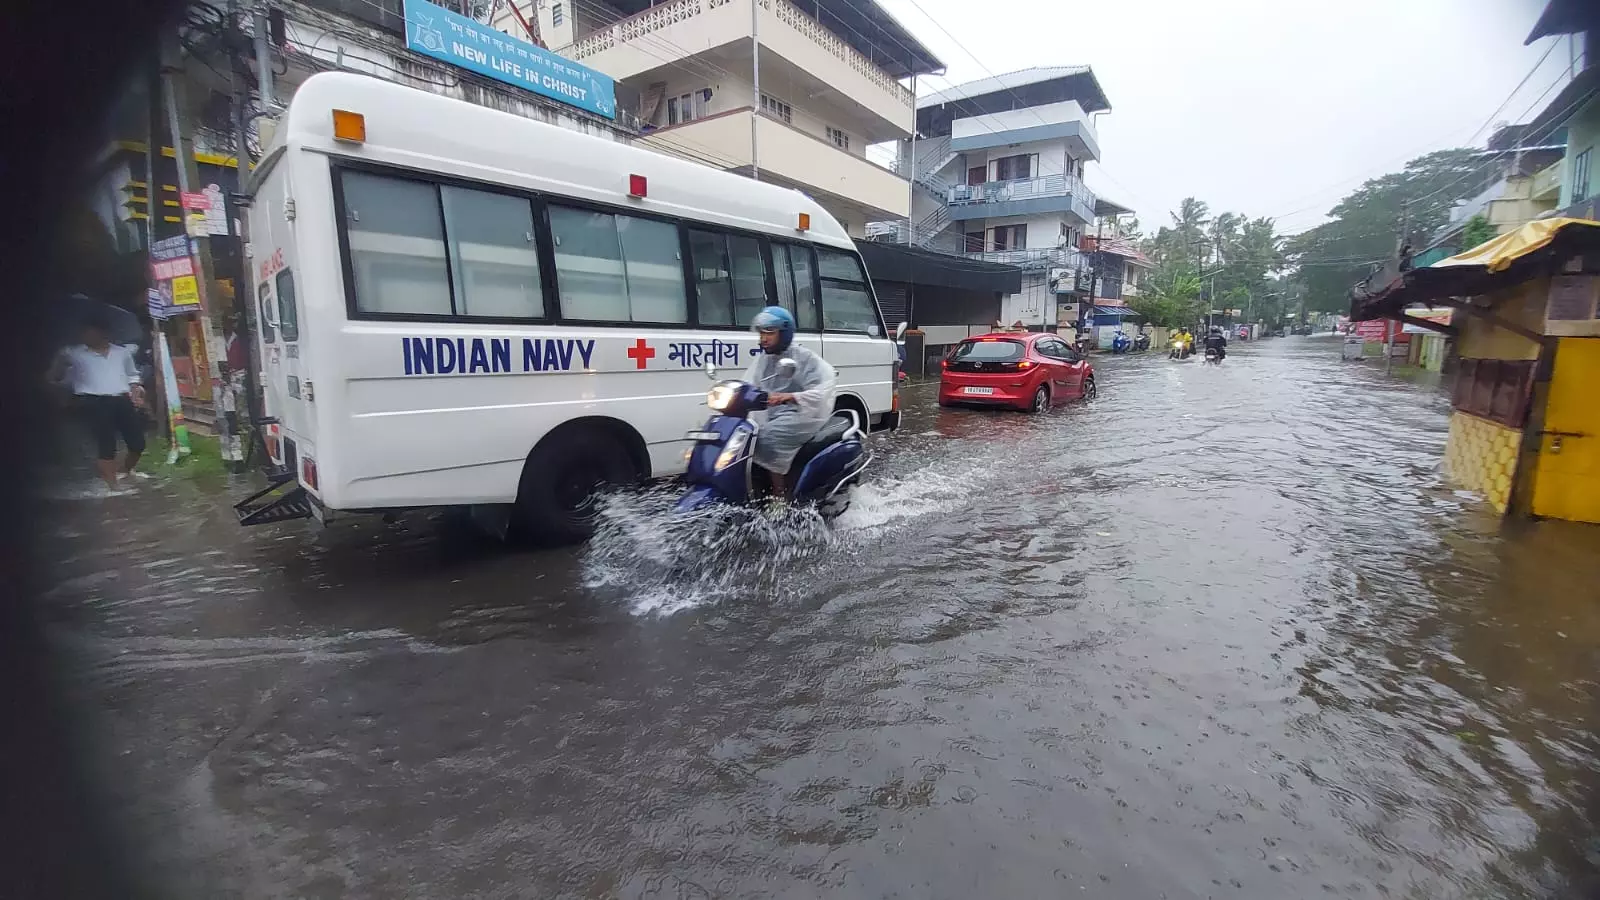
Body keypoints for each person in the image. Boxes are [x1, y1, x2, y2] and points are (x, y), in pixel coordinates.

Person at [742, 306, 836, 499]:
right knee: (744, 435)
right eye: (761, 333)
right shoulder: (764, 360)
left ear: (784, 333)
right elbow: (750, 383)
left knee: (768, 437)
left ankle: (780, 496)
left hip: (802, 414)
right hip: (774, 414)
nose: (763, 338)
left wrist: (791, 397)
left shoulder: (803, 357)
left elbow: (824, 389)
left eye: (770, 332)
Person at [50, 313, 148, 494]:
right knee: (106, 443)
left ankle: (125, 471)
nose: (86, 337)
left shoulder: (122, 352)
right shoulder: (73, 353)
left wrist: (136, 389)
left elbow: (132, 374)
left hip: (121, 399)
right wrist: (59, 362)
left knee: (137, 443)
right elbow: (56, 377)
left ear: (103, 333)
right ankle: (113, 487)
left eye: (90, 333)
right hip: (92, 401)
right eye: (84, 333)